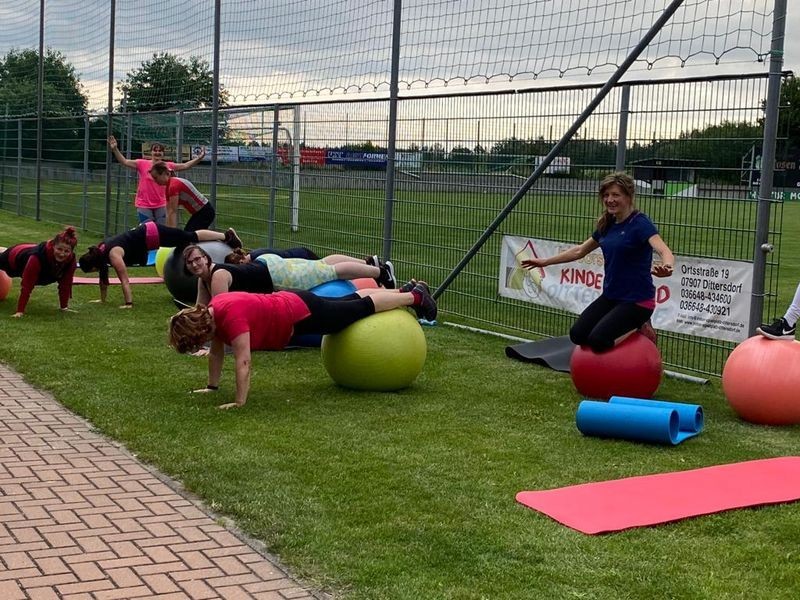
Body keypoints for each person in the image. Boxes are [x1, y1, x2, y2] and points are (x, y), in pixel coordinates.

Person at [168, 285, 437, 409]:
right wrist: (212, 386)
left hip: (300, 314)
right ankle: (403, 290)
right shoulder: (214, 313)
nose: (199, 345)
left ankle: (415, 297)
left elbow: (244, 362)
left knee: (359, 309)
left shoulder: (230, 318)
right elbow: (216, 353)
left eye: (194, 342)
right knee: (347, 302)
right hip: (295, 303)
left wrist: (240, 402)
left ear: (199, 329)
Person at [521, 171, 674, 352]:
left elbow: (664, 250)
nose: (610, 199)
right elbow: (579, 251)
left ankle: (641, 327)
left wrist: (668, 266)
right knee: (577, 335)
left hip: (638, 302)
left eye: (616, 195)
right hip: (611, 297)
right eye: (606, 195)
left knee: (598, 341)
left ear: (629, 196)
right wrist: (545, 262)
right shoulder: (607, 224)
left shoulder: (640, 223)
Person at [78, 223, 242, 308]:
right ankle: (224, 237)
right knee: (186, 238)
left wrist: (128, 304)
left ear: (94, 266)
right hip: (149, 234)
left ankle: (226, 236)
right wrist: (102, 300)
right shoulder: (100, 250)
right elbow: (103, 279)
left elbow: (124, 279)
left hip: (152, 233)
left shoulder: (113, 254)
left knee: (189, 236)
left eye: (93, 271)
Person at [184, 244, 397, 306]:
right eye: (190, 262)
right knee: (321, 265)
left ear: (207, 258)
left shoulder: (218, 276)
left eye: (198, 259)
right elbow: (200, 310)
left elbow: (219, 312)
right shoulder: (204, 280)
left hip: (277, 276)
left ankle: (380, 272)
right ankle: (368, 264)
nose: (195, 264)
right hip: (268, 264)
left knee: (329, 272)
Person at [108, 136, 206, 225]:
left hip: (161, 204)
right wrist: (115, 149)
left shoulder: (167, 166)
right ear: (151, 152)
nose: (157, 153)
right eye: (155, 150)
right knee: (148, 230)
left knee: (161, 230)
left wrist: (199, 158)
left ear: (163, 153)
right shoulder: (142, 163)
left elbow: (185, 165)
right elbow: (124, 161)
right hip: (144, 204)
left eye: (160, 151)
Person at [0, 226, 79, 317]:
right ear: (53, 246)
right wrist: (20, 311)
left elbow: (66, 284)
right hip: (14, 257)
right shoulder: (36, 258)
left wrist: (64, 307)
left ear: (71, 252)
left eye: (66, 251)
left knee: (57, 275)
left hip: (39, 264)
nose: (62, 254)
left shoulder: (71, 260)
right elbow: (27, 285)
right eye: (59, 249)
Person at [149, 162, 216, 231]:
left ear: (163, 174)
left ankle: (223, 237)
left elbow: (173, 212)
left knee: (190, 236)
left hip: (205, 212)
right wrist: (167, 231)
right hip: (201, 212)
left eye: (155, 178)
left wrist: (170, 234)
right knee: (189, 235)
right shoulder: (169, 186)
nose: (154, 181)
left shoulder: (173, 186)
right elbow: (168, 211)